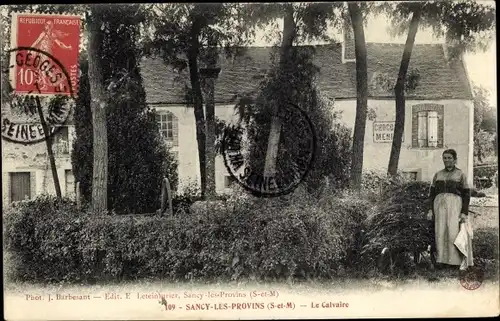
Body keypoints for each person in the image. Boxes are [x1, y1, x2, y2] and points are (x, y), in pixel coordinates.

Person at [427, 149, 472, 271]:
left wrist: (464, 212)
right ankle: (441, 261)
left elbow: (466, 194)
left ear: (455, 159)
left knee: (453, 232)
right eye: (444, 158)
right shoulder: (437, 174)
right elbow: (431, 194)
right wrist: (430, 210)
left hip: (455, 206)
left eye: (449, 158)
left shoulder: (461, 175)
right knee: (440, 232)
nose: (446, 160)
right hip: (439, 206)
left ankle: (454, 262)